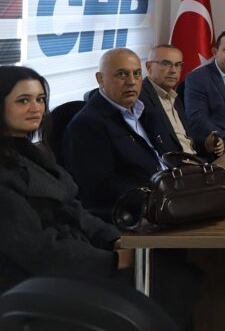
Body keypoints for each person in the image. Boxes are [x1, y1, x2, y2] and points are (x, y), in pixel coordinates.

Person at [0, 65, 130, 290]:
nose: (36, 108)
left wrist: (113, 240)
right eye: (23, 100)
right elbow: (37, 249)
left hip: (73, 263)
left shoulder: (35, 152)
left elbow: (74, 209)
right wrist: (113, 261)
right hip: (32, 284)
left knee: (175, 271)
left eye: (40, 99)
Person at [63, 48, 181, 218]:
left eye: (137, 74)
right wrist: (155, 200)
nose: (131, 82)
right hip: (139, 212)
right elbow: (102, 187)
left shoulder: (146, 110)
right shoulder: (87, 124)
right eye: (122, 74)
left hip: (173, 196)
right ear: (100, 79)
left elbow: (171, 153)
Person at [140, 44, 224, 158]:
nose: (173, 70)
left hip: (195, 161)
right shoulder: (141, 99)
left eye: (178, 65)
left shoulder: (174, 96)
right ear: (149, 67)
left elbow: (185, 140)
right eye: (166, 64)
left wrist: (206, 144)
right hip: (174, 166)